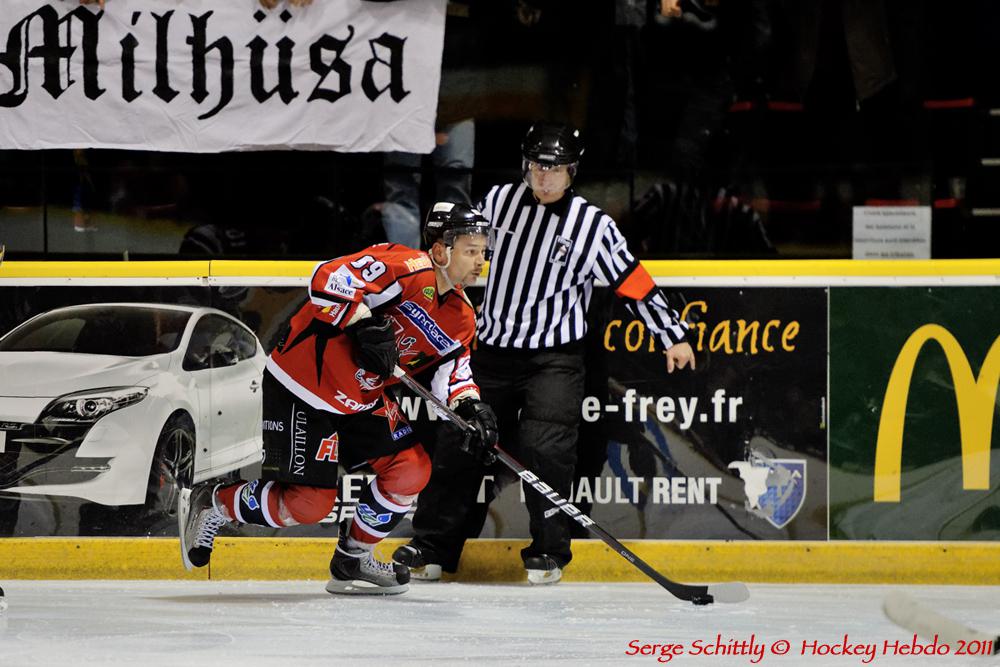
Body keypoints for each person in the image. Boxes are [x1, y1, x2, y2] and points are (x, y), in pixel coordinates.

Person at [395, 122, 696, 585]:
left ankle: (550, 551)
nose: (544, 176)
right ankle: (432, 545)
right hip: (491, 351)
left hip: (555, 358)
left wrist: (670, 334)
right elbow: (455, 250)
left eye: (554, 169)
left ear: (572, 171)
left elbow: (631, 280)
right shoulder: (497, 202)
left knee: (546, 450)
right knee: (460, 444)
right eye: (537, 166)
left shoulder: (592, 225)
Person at [179, 202, 498, 596]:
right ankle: (214, 502)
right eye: (471, 250)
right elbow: (325, 277)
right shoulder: (404, 267)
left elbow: (453, 374)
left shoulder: (462, 317)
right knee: (308, 505)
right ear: (440, 250)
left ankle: (353, 558)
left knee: (410, 470)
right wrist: (363, 323)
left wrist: (470, 407)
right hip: (304, 385)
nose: (480, 261)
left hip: (361, 398)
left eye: (484, 251)